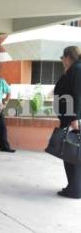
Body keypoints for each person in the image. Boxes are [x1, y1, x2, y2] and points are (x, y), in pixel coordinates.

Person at [54, 46, 81, 199]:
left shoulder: (77, 69)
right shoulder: (75, 69)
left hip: (72, 119)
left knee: (72, 153)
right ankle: (73, 187)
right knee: (71, 153)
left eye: (62, 58)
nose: (62, 61)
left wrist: (75, 118)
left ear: (68, 57)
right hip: (70, 118)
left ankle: (75, 189)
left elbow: (78, 95)